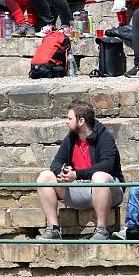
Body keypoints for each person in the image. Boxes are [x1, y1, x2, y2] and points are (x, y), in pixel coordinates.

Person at [36, 100, 125, 241]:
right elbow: (56, 163)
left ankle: (102, 229)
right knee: (44, 177)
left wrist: (76, 174)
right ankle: (53, 229)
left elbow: (107, 165)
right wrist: (64, 170)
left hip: (107, 190)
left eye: (69, 118)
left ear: (81, 120)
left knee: (99, 176)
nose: (66, 122)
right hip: (79, 189)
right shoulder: (71, 138)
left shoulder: (104, 137)